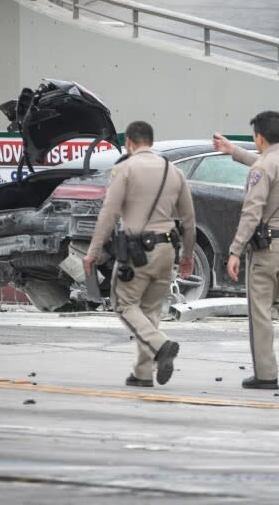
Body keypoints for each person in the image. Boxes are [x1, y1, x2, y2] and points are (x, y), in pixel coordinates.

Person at [84, 121, 196, 388]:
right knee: (150, 310)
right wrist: (188, 255)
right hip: (168, 248)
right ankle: (143, 373)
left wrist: (93, 252)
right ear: (151, 141)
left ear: (130, 143)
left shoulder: (124, 169)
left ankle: (161, 345)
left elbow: (109, 213)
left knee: (123, 305)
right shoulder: (173, 171)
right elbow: (189, 220)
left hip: (137, 252)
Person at [213, 110, 279, 390]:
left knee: (260, 311)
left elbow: (251, 212)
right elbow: (266, 164)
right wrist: (233, 151)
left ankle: (266, 374)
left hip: (267, 249)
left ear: (258, 137)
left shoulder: (263, 167)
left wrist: (235, 250)